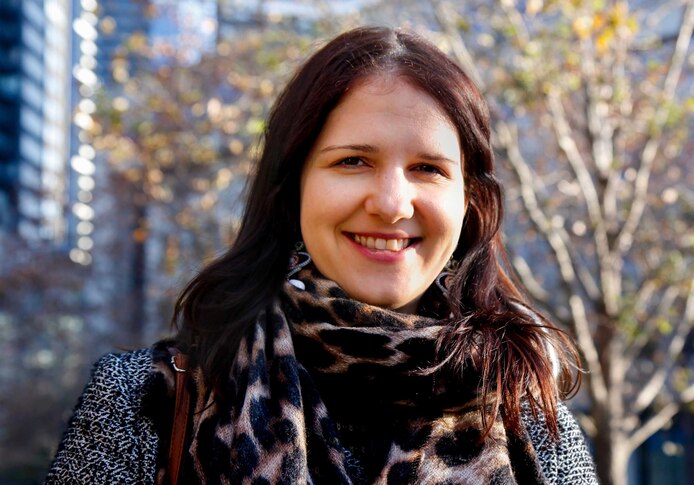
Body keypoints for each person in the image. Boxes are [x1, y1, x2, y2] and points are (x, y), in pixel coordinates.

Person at [45, 26, 598, 484]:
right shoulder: (147, 404)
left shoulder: (531, 420)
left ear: (470, 203)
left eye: (428, 168)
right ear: (293, 190)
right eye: (353, 161)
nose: (390, 203)